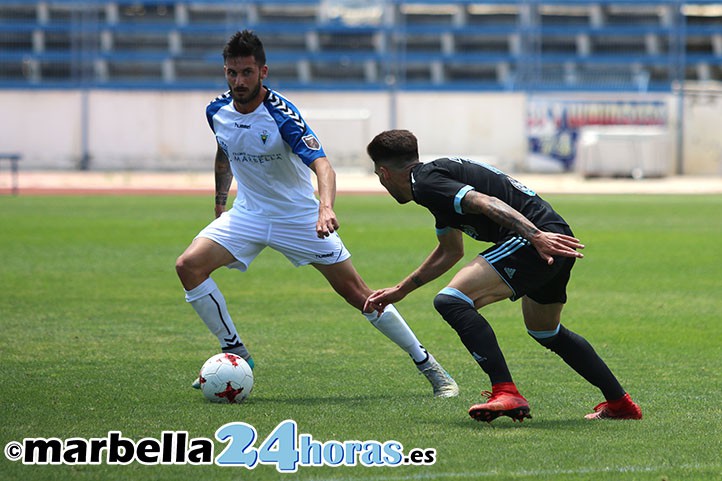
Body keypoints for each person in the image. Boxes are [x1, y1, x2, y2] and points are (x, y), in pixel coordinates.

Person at [174, 31, 458, 398]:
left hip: (299, 218)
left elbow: (323, 166)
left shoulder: (282, 115)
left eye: (246, 73)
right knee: (188, 267)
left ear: (263, 71)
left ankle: (430, 367)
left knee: (360, 295)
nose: (238, 82)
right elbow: (224, 150)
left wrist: (325, 209)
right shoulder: (216, 110)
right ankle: (235, 351)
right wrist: (219, 201)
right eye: (231, 73)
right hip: (248, 214)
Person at [364, 129, 642, 422]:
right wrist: (400, 290)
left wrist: (535, 236)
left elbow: (486, 203)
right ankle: (620, 403)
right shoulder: (435, 184)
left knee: (451, 301)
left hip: (535, 239)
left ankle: (505, 391)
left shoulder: (426, 183)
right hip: (553, 237)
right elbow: (449, 251)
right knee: (545, 330)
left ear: (384, 173)